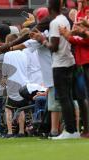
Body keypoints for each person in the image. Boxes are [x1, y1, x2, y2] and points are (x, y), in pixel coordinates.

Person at [31, 0, 80, 139]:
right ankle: (73, 130)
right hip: (69, 61)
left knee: (64, 98)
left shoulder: (54, 23)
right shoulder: (64, 19)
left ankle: (70, 131)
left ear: (49, 8)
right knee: (69, 98)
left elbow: (54, 46)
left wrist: (42, 39)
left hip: (60, 64)